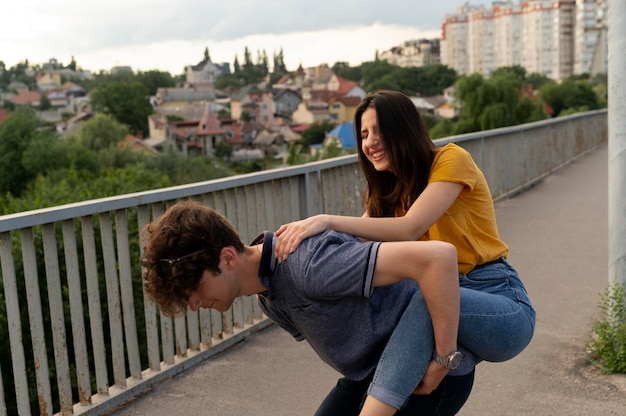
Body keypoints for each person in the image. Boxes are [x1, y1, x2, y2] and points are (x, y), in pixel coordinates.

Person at [273, 90, 536, 414]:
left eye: (378, 131)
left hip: (498, 299)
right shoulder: (385, 194)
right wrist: (283, 264)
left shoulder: (450, 160)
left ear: (404, 128)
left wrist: (326, 220)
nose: (370, 142)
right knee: (398, 353)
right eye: (364, 135)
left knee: (429, 299)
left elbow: (410, 228)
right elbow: (357, 249)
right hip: (436, 311)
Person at [141, 199, 477, 416]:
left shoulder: (307, 266)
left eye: (195, 290)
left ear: (227, 258)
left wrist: (443, 360)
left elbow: (437, 258)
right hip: (368, 375)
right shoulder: (265, 291)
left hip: (425, 375)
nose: (196, 304)